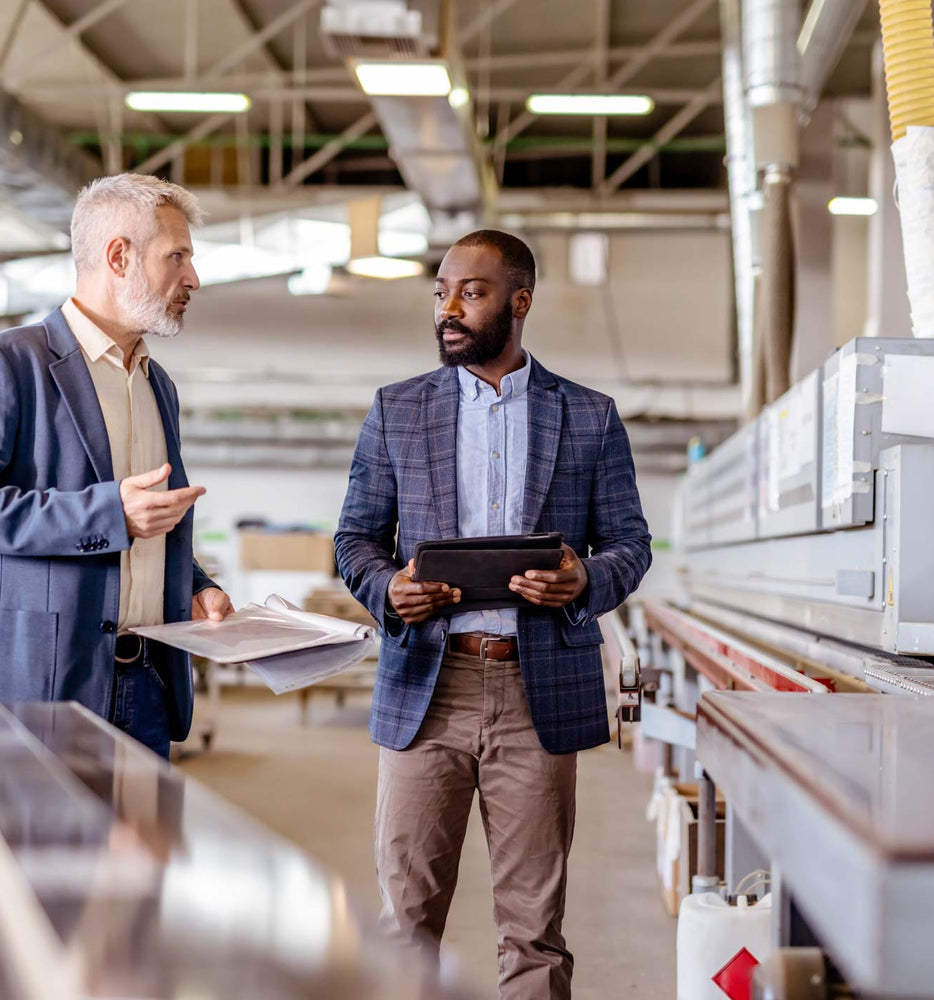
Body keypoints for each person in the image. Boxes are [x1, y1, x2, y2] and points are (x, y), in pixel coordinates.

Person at [335, 230, 652, 999]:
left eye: (469, 292)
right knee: (404, 923)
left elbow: (630, 545)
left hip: (535, 695)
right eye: (440, 290)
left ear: (520, 302)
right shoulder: (396, 410)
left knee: (534, 931)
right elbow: (355, 540)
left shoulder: (589, 416)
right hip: (426, 689)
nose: (447, 307)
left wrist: (582, 581)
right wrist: (389, 591)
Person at [0, 173, 233, 759]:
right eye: (177, 258)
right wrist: (108, 510)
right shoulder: (8, 363)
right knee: (37, 851)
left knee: (142, 854)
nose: (192, 278)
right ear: (119, 256)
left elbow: (146, 519)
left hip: (147, 684)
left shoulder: (154, 382)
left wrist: (193, 585)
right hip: (41, 687)